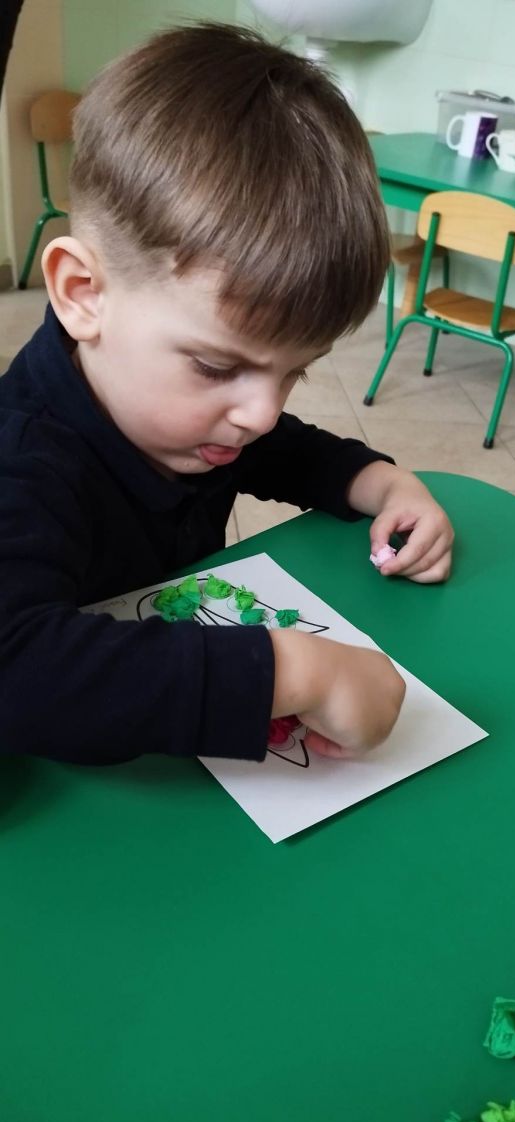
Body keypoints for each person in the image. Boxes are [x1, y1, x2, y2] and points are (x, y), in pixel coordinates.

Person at [0, 23, 453, 767]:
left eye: (296, 371)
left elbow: (290, 452)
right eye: (215, 367)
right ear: (83, 293)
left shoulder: (199, 423)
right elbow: (18, 671)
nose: (262, 414)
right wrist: (292, 672)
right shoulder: (23, 460)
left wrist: (386, 486)